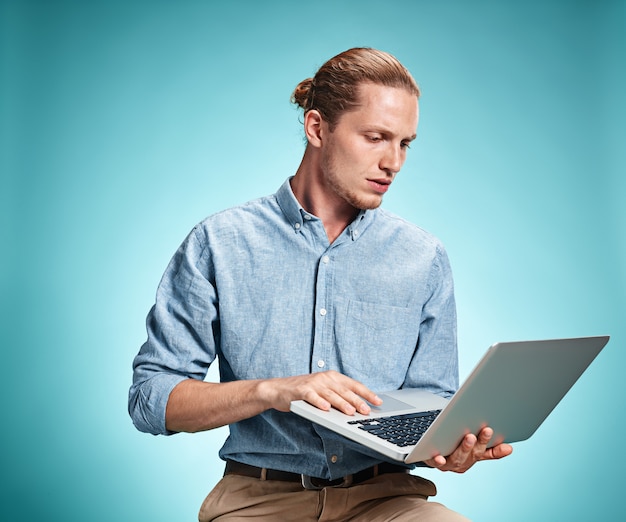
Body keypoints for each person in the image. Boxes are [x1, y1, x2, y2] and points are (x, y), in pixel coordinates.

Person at [129, 47, 512, 521]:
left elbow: (431, 404)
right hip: (260, 501)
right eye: (376, 137)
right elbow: (151, 399)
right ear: (316, 129)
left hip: (387, 500)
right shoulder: (220, 242)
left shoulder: (423, 257)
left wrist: (450, 447)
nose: (393, 162)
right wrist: (270, 391)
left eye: (405, 143)